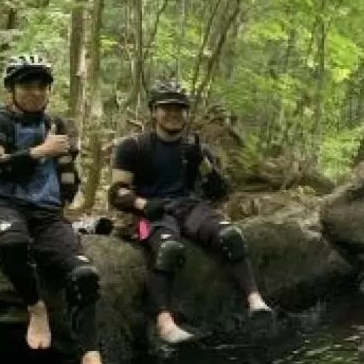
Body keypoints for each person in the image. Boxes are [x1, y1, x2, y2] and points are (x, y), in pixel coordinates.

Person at [0, 54, 121, 364]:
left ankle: (91, 359)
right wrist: (40, 151)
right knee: (12, 242)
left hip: (46, 213)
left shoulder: (57, 125)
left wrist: (67, 176)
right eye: (26, 84)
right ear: (12, 89)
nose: (35, 92)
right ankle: (37, 308)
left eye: (41, 85)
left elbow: (66, 174)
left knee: (84, 274)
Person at [108, 79, 272, 344]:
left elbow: (219, 193)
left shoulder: (196, 149)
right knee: (168, 249)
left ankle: (255, 300)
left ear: (187, 112)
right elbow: (116, 192)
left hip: (189, 206)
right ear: (154, 111)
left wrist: (204, 164)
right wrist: (143, 204)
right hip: (151, 212)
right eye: (166, 107)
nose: (173, 113)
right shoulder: (134, 146)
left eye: (179, 108)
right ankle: (165, 321)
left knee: (230, 236)